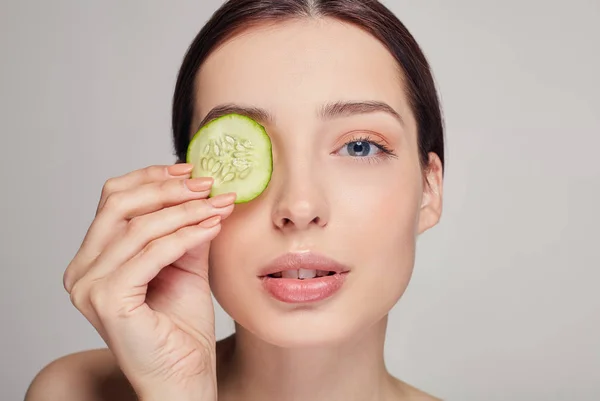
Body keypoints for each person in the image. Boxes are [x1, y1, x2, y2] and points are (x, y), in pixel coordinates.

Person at [25, 0, 445, 400]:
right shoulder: (72, 392)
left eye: (359, 147)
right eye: (236, 149)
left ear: (429, 189)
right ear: (181, 192)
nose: (299, 208)